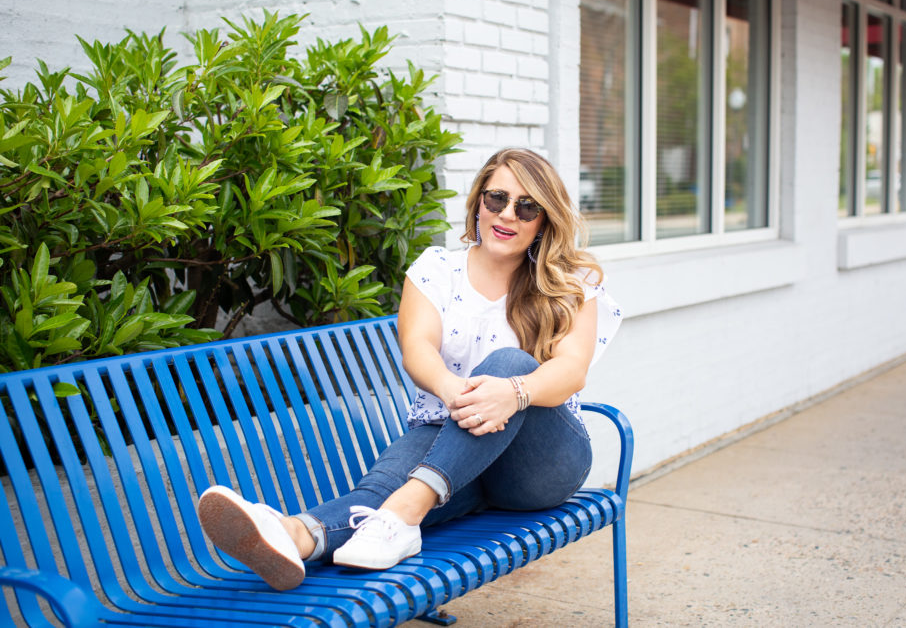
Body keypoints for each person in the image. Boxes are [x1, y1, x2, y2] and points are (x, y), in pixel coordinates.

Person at [197, 148, 622, 591]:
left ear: (543, 221)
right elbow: (417, 347)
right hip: (453, 435)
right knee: (384, 490)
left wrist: (510, 393)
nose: (507, 214)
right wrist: (453, 392)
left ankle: (403, 511)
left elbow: (572, 370)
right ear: (479, 200)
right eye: (497, 198)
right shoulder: (438, 270)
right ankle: (295, 536)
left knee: (509, 365)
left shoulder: (571, 283)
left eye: (527, 206)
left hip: (541, 463)